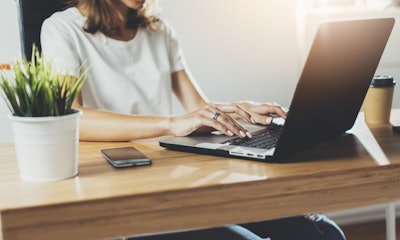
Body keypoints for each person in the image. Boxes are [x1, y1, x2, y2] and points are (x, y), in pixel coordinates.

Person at [40, 0, 346, 239]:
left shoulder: (158, 30)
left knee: (326, 234)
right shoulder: (62, 29)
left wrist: (240, 109)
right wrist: (172, 123)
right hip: (125, 195)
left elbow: (198, 109)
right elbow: (72, 116)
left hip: (176, 181)